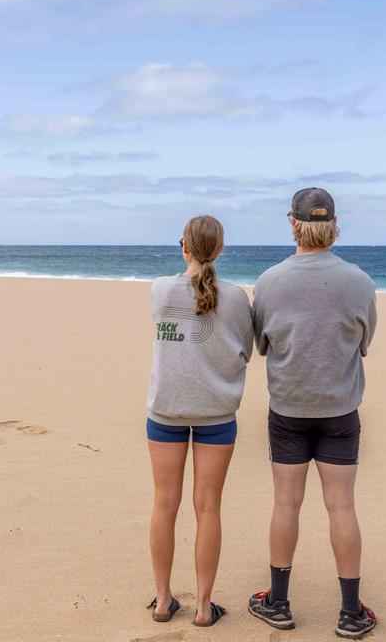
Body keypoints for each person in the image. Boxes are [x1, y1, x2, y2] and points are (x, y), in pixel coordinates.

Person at [246, 188, 378, 639]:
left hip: (288, 408)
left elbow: (262, 345)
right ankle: (350, 613)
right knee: (341, 506)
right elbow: (364, 342)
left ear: (293, 224)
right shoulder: (359, 281)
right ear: (334, 224)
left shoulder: (269, 281)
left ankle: (278, 602)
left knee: (287, 503)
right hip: (340, 409)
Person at [145, 214, 254, 628]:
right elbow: (245, 350)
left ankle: (162, 600)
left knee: (164, 503)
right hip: (215, 412)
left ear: (184, 246)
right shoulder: (237, 297)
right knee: (207, 508)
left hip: (167, 410)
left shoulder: (160, 291)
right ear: (221, 249)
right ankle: (205, 606)